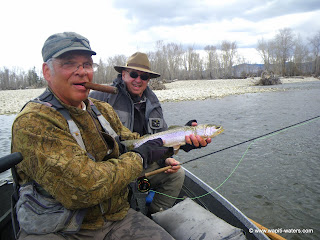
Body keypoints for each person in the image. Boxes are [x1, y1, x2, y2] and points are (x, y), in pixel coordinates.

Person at [11, 32, 176, 240]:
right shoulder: (33, 122)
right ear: (47, 71)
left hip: (114, 218)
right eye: (70, 64)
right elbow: (84, 187)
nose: (82, 72)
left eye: (87, 65)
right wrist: (140, 157)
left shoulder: (101, 109)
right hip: (60, 229)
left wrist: (176, 143)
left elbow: (133, 142)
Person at [89, 52, 211, 215]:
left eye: (144, 77)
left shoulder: (153, 102)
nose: (138, 80)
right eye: (133, 74)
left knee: (177, 174)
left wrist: (171, 154)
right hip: (112, 167)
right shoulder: (101, 97)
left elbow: (162, 138)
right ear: (123, 74)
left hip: (144, 164)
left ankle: (156, 216)